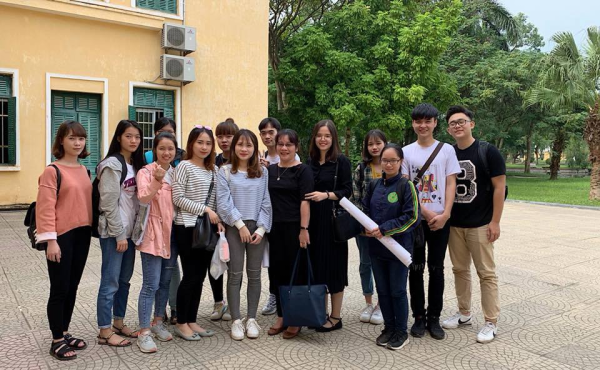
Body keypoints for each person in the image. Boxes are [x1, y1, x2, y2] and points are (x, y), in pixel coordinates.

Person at [441, 105, 506, 343]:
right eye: (453, 123)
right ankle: (464, 313)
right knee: (459, 270)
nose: (457, 126)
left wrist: (495, 221)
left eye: (462, 121)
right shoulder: (448, 153)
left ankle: (491, 321)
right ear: (448, 129)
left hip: (481, 223)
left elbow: (500, 187)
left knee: (486, 273)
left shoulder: (487, 151)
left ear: (471, 124)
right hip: (455, 224)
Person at [401, 103, 460, 340]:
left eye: (428, 121)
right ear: (413, 123)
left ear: (436, 123)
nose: (422, 125)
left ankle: (434, 317)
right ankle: (418, 317)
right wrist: (425, 213)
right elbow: (406, 186)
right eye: (418, 121)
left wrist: (445, 214)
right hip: (417, 220)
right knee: (415, 269)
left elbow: (450, 183)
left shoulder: (447, 150)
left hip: (441, 220)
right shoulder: (406, 152)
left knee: (437, 269)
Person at [37, 120, 93, 361]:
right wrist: (51, 241)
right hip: (61, 237)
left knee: (72, 286)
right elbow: (45, 208)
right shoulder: (52, 170)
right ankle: (56, 340)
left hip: (83, 234)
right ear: (61, 141)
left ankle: (65, 331)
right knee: (59, 288)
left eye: (81, 138)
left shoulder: (84, 170)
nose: (77, 143)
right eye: (72, 138)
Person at [362, 143, 420, 351]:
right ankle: (388, 328)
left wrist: (385, 229)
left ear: (400, 162)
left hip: (398, 249)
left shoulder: (406, 186)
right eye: (384, 160)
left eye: (392, 160)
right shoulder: (374, 186)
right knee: (383, 291)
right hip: (377, 249)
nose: (388, 164)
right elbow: (365, 210)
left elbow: (412, 217)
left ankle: (401, 331)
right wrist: (366, 227)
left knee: (397, 291)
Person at [217, 129, 272, 340]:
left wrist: (260, 229)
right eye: (240, 144)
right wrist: (239, 225)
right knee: (235, 274)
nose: (244, 149)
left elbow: (266, 201)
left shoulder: (262, 172)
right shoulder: (225, 171)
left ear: (254, 149)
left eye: (249, 145)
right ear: (234, 147)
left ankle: (251, 318)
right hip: (234, 227)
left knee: (255, 275)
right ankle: (236, 320)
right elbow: (224, 202)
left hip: (258, 228)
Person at [96, 120, 145, 346]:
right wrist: (119, 235)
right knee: (110, 281)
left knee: (124, 281)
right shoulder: (111, 165)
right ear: (119, 138)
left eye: (137, 137)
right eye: (128, 136)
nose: (133, 140)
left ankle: (118, 321)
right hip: (114, 234)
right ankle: (104, 330)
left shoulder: (135, 164)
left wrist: (132, 235)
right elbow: (108, 204)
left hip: (129, 234)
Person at [171, 126, 222, 341]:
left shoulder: (214, 170)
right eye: (200, 142)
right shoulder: (183, 166)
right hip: (187, 227)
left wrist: (217, 217)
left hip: (208, 230)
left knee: (200, 276)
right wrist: (206, 210)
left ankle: (191, 320)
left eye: (208, 143)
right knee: (190, 276)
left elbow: (216, 199)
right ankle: (181, 322)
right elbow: (178, 198)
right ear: (191, 143)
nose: (204, 147)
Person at [305, 119, 353, 332]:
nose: (322, 139)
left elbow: (347, 190)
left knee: (334, 268)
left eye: (327, 136)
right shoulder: (309, 162)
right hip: (312, 223)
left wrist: (326, 195)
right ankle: (320, 313)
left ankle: (335, 316)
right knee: (317, 268)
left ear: (333, 138)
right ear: (314, 138)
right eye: (319, 135)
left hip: (332, 221)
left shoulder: (341, 161)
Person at [266, 129, 313, 339]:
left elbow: (305, 201)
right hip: (273, 228)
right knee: (277, 272)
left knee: (296, 272)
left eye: (289, 144)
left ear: (296, 147)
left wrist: (304, 229)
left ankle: (295, 317)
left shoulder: (303, 170)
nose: (284, 148)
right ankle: (281, 315)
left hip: (295, 228)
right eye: (281, 144)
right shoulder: (270, 170)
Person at [135, 132, 178, 353]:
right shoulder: (146, 171)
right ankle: (144, 332)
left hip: (171, 236)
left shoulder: (177, 173)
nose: (166, 153)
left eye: (170, 148)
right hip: (152, 234)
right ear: (154, 150)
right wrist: (156, 180)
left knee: (164, 282)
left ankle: (158, 321)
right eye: (162, 148)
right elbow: (143, 198)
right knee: (150, 283)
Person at [143, 117, 184, 325]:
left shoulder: (180, 164)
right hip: (154, 229)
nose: (166, 151)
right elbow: (143, 196)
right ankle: (152, 319)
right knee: (153, 278)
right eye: (160, 133)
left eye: (169, 132)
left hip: (175, 227)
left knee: (170, 273)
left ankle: (172, 309)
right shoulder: (147, 163)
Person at [257, 117, 299, 315]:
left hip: (288, 219)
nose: (267, 136)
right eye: (263, 133)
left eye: (271, 132)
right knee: (271, 260)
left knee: (286, 260)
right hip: (267, 218)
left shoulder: (293, 160)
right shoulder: (261, 158)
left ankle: (287, 299)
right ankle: (274, 295)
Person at [352, 129, 387, 325]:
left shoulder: (391, 165)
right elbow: (355, 197)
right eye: (370, 144)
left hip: (386, 227)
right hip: (364, 227)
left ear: (385, 144)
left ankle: (381, 305)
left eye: (378, 143)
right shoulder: (361, 168)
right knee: (366, 264)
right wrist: (364, 222)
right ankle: (368, 302)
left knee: (382, 264)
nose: (374, 147)